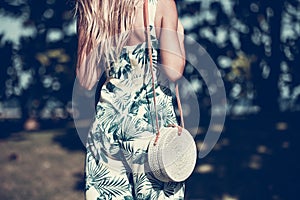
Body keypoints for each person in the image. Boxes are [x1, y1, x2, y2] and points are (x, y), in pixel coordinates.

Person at [75, 0, 186, 199]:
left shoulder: (95, 10)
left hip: (106, 130)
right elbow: (174, 70)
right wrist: (179, 35)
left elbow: (86, 80)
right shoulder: (160, 4)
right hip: (151, 131)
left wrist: (91, 25)